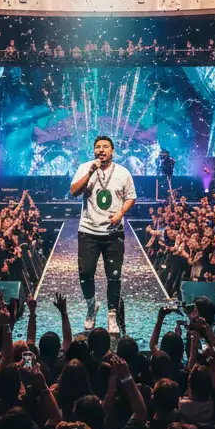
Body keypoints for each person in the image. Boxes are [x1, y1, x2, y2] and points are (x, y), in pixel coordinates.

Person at [70, 135, 136, 334]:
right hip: (88, 231)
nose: (101, 150)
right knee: (85, 274)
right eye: (97, 147)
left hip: (113, 234)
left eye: (105, 147)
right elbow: (73, 191)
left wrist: (121, 213)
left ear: (112, 151)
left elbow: (131, 197)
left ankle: (112, 315)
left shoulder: (123, 173)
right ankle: (92, 307)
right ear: (94, 151)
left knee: (114, 277)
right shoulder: (85, 167)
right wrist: (90, 172)